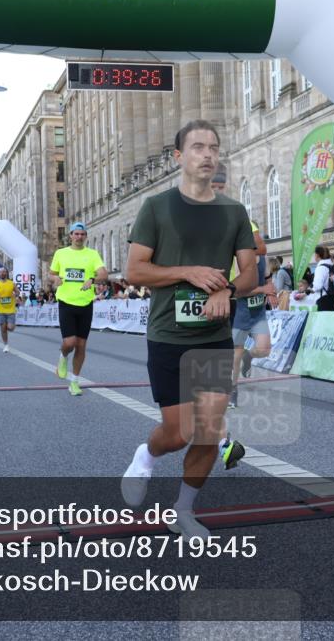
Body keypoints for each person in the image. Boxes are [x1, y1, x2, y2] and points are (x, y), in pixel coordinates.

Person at [120, 119, 256, 542]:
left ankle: (182, 511)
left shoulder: (233, 211)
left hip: (214, 337)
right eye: (198, 147)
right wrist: (190, 273)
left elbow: (252, 271)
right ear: (179, 157)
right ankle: (146, 453)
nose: (208, 154)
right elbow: (134, 271)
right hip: (169, 336)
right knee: (178, 434)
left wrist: (228, 290)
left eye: (213, 147)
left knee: (209, 430)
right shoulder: (156, 208)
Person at [50, 222, 108, 396]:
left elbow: (103, 274)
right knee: (70, 342)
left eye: (82, 234)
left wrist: (92, 279)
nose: (79, 237)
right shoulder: (61, 253)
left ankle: (74, 382)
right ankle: (63, 356)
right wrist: (55, 280)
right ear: (70, 236)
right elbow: (52, 273)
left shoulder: (92, 254)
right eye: (76, 234)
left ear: (86, 236)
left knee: (81, 345)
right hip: (66, 302)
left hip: (85, 303)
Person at [229, 221, 274, 408]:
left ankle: (250, 356)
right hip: (240, 311)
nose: (258, 240)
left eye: (258, 236)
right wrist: (264, 289)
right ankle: (232, 392)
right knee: (235, 356)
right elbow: (237, 291)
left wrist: (270, 291)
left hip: (258, 312)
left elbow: (267, 278)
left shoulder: (263, 257)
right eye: (255, 236)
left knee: (264, 349)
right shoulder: (238, 261)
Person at [0, 267, 21, 353]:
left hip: (11, 310)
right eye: (0, 272)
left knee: (10, 328)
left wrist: (15, 294)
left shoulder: (12, 284)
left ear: (6, 273)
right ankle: (6, 345)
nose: (2, 273)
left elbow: (18, 292)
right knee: (3, 329)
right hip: (1, 310)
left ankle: (11, 326)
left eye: (4, 272)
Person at [313, 246, 334, 311]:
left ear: (317, 255)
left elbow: (318, 286)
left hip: (323, 300)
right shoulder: (331, 266)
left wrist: (312, 288)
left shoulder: (320, 268)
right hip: (333, 299)